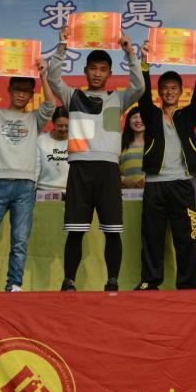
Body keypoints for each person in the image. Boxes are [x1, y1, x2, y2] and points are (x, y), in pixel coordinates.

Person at [47, 27, 145, 291]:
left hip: (109, 170)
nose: (97, 73)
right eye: (93, 68)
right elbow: (53, 78)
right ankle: (69, 280)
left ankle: (112, 281)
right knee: (75, 230)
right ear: (85, 71)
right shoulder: (73, 96)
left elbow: (139, 86)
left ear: (110, 73)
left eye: (103, 69)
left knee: (112, 231)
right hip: (80, 168)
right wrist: (62, 47)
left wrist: (130, 53)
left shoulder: (118, 98)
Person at [0, 57, 56, 292]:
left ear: (32, 95)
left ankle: (14, 284)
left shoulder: (34, 118)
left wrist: (44, 76)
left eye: (27, 91)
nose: (21, 94)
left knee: (19, 242)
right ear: (9, 90)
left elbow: (51, 105)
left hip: (25, 186)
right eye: (18, 89)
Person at [133, 40, 196, 290]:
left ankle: (188, 283)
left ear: (180, 91)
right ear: (159, 92)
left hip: (181, 185)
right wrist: (144, 61)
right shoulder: (151, 114)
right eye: (165, 88)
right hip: (155, 185)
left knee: (187, 237)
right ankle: (150, 280)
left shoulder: (188, 115)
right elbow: (142, 93)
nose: (169, 92)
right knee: (152, 237)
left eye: (174, 88)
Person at [37, 107, 70, 192]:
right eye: (60, 126)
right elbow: (36, 168)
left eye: (67, 126)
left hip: (69, 190)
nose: (63, 129)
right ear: (53, 123)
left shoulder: (76, 141)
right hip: (43, 189)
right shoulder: (41, 140)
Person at [119, 108, 146, 188]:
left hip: (153, 190)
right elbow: (111, 170)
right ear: (128, 121)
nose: (138, 120)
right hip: (126, 192)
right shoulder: (120, 144)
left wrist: (149, 180)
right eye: (134, 117)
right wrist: (124, 180)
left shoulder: (156, 144)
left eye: (142, 117)